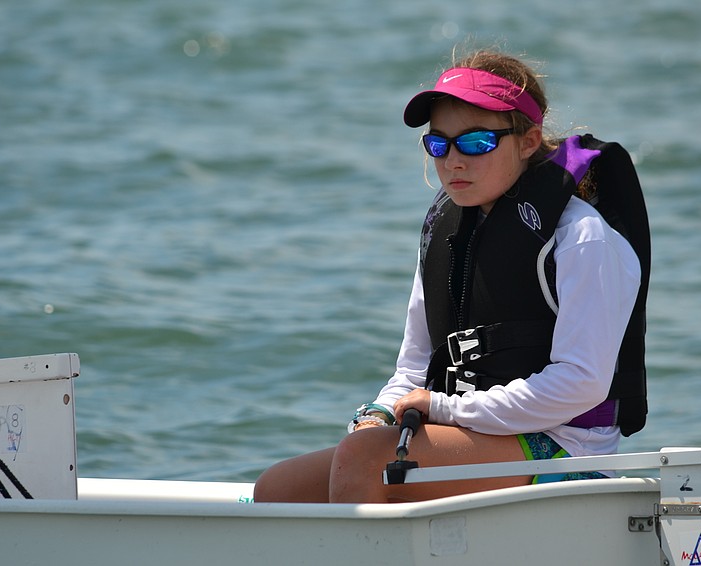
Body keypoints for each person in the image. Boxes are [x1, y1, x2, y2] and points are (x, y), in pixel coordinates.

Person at [254, 48, 650, 504]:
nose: (453, 161)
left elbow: (581, 382)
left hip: (564, 450)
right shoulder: (448, 232)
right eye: (438, 143)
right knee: (277, 489)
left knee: (364, 461)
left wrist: (446, 408)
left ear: (528, 140)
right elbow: (413, 368)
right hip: (467, 428)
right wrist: (381, 413)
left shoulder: (582, 238)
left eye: (477, 142)